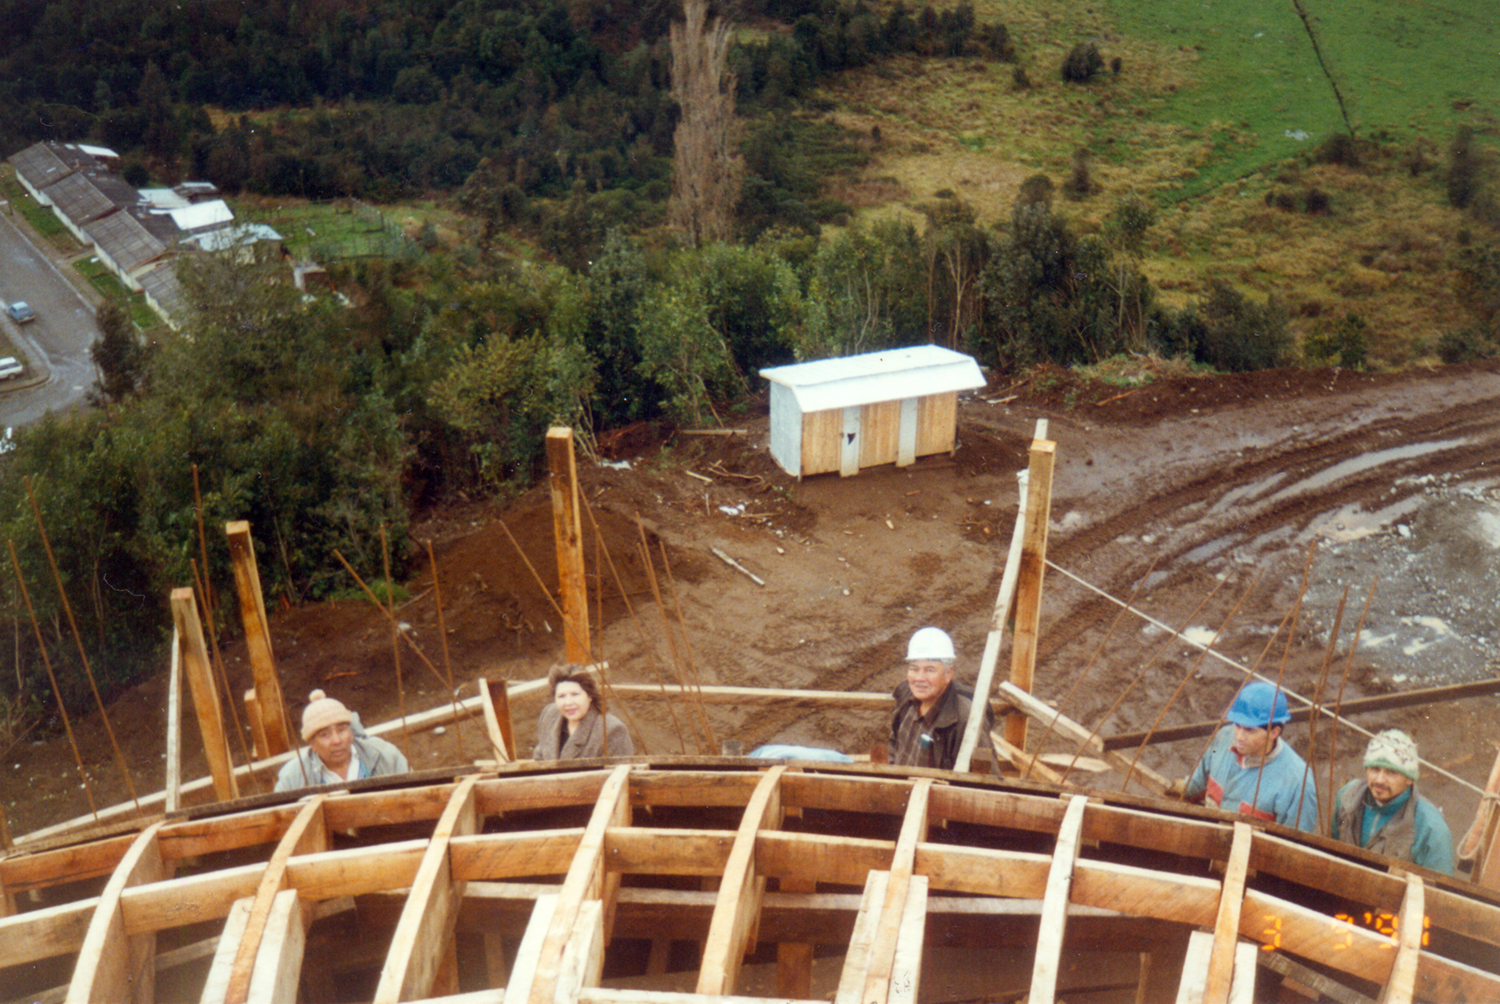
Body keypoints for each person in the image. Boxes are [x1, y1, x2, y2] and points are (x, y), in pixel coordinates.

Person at [1182, 681, 1318, 831]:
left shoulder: (1298, 783)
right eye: (1238, 726)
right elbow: (1196, 785)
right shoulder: (1222, 738)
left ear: (1274, 732)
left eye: (1249, 730)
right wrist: (1179, 787)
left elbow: (1294, 847)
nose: (1239, 736)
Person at [1331, 729, 1454, 875]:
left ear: (1409, 779)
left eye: (1391, 772)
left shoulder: (1431, 829)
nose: (1380, 780)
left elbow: (1438, 891)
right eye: (1375, 769)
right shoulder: (1347, 797)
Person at [888, 627, 994, 771]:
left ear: (948, 674)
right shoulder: (906, 699)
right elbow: (894, 744)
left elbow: (986, 782)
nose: (919, 678)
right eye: (914, 669)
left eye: (929, 670)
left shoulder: (966, 721)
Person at [275, 689, 409, 792]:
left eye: (341, 730)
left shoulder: (385, 755)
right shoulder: (292, 777)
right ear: (312, 744)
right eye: (324, 734)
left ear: (351, 733)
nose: (337, 740)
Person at [532, 666, 634, 760]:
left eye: (575, 694)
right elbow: (539, 758)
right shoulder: (549, 715)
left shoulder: (612, 730)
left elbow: (621, 773)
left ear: (589, 696)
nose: (568, 703)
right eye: (561, 696)